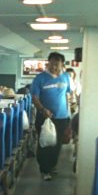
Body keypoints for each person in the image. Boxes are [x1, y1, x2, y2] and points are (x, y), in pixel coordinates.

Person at [30, 52, 72, 181]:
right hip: (44, 117)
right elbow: (35, 97)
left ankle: (52, 165)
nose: (54, 66)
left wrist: (69, 112)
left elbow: (68, 94)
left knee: (57, 144)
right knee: (44, 143)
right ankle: (44, 169)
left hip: (62, 116)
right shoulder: (40, 78)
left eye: (57, 64)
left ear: (62, 64)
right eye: (51, 63)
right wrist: (42, 109)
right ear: (48, 63)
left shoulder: (66, 77)